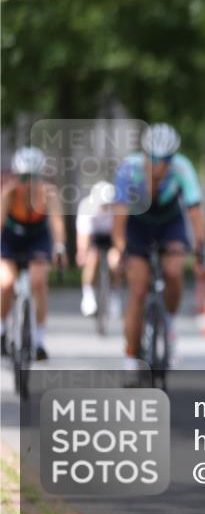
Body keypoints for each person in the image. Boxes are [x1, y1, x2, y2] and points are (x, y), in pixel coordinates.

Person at [110, 123, 205, 370]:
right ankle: (131, 355)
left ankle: (169, 325)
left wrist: (200, 252)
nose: (161, 165)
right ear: (144, 154)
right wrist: (119, 248)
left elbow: (195, 214)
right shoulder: (129, 170)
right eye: (154, 158)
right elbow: (119, 217)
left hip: (169, 223)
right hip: (137, 225)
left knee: (174, 272)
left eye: (166, 159)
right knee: (138, 290)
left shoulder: (183, 168)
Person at [0, 146, 66, 360]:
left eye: (33, 176)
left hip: (37, 239)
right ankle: (2, 330)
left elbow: (56, 222)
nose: (28, 182)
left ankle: (39, 340)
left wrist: (59, 247)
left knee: (39, 281)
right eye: (24, 176)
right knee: (6, 283)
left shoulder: (48, 193)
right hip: (11, 240)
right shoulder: (9, 193)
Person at [76, 180, 120, 318]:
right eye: (103, 205)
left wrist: (119, 251)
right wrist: (82, 252)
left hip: (112, 236)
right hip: (94, 236)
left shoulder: (118, 208)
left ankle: (113, 295)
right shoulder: (87, 207)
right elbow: (83, 235)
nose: (106, 207)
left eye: (108, 205)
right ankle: (88, 296)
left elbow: (120, 233)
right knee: (91, 258)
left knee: (115, 262)